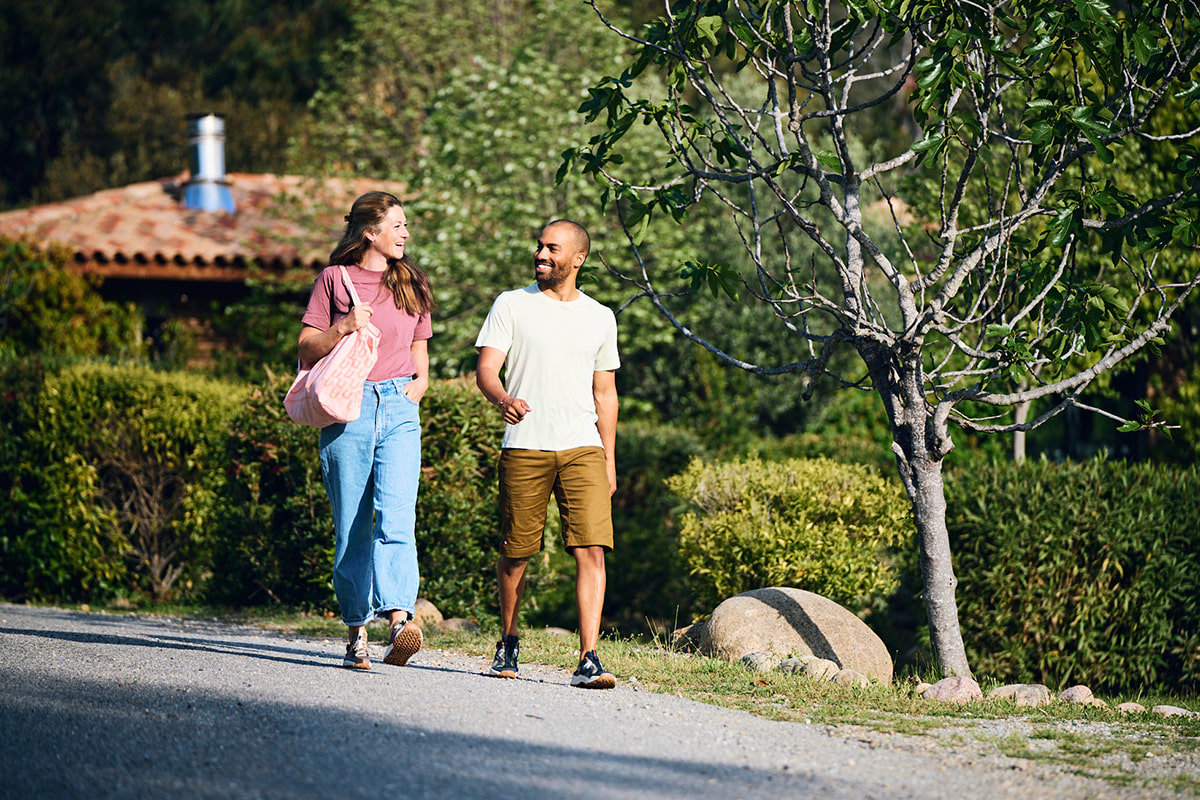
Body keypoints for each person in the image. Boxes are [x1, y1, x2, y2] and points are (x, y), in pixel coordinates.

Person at [474, 219, 620, 689]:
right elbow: (487, 369)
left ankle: (589, 657)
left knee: (591, 549)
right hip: (524, 446)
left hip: (582, 448)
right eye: (539, 245)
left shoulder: (601, 316)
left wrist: (609, 458)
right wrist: (502, 400)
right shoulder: (511, 305)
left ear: (577, 259)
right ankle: (509, 642)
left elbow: (606, 394)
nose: (541, 254)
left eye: (552, 248)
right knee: (516, 553)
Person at [298, 191, 435, 670]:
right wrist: (343, 327)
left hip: (399, 406)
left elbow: (419, 343)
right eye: (397, 226)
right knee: (352, 528)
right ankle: (357, 629)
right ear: (369, 233)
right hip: (348, 408)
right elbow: (306, 347)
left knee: (397, 516)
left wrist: (420, 382)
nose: (405, 234)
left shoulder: (411, 281)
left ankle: (399, 621)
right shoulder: (334, 280)